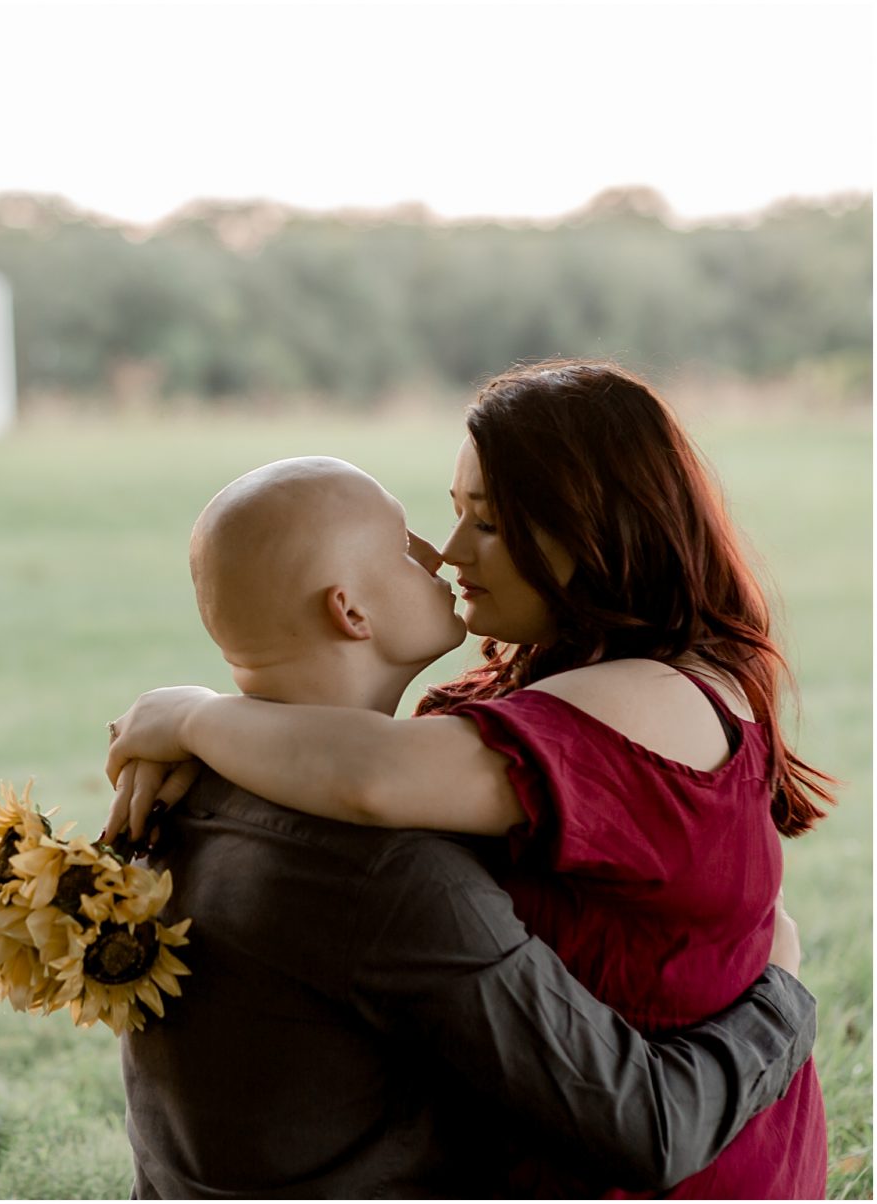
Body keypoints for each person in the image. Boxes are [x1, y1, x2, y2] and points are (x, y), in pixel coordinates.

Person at [104, 362, 831, 1197]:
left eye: (488, 523)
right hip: (573, 1127)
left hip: (680, 1149)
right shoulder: (514, 695)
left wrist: (193, 715)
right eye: (454, 516)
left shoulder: (649, 699)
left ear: (585, 526)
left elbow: (371, 777)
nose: (450, 554)